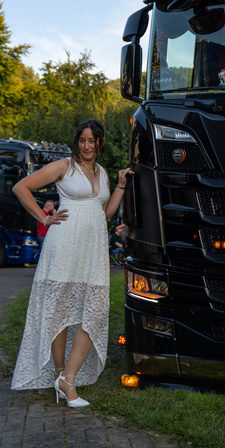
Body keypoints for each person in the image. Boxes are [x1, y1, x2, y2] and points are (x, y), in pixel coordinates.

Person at [11, 119, 133, 407]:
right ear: (77, 142)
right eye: (82, 140)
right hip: (64, 244)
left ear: (100, 142)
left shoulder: (102, 173)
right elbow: (21, 188)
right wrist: (44, 218)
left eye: (92, 141)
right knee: (60, 310)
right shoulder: (65, 167)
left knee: (96, 310)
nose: (87, 146)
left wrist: (119, 186)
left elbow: (103, 213)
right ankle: (63, 379)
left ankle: (66, 377)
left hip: (92, 247)